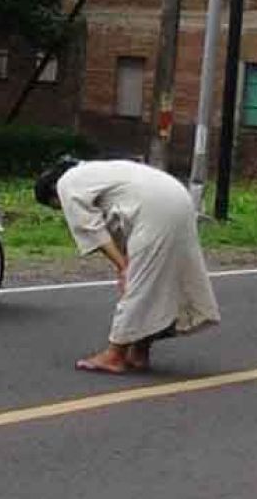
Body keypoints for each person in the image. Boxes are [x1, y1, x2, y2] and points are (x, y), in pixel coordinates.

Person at [35, 158, 221, 374]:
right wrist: (125, 264)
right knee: (161, 283)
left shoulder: (66, 183)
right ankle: (140, 351)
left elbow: (90, 229)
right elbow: (119, 225)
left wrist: (123, 266)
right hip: (178, 199)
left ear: (53, 193)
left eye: (56, 206)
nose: (61, 210)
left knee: (140, 286)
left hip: (155, 209)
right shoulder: (96, 172)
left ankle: (115, 354)